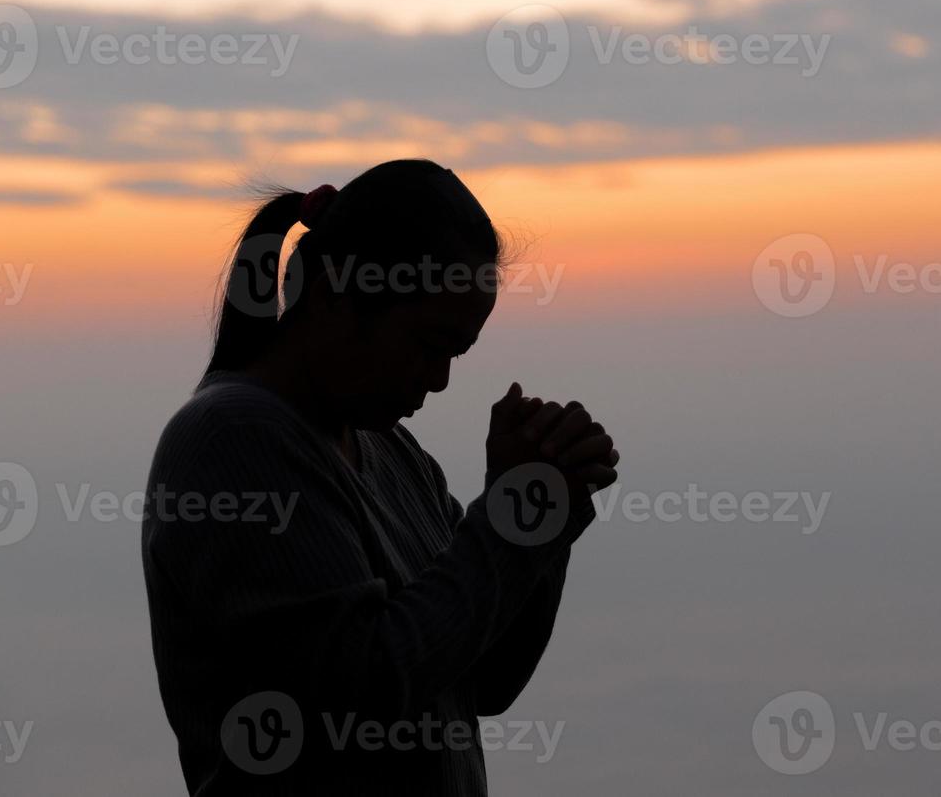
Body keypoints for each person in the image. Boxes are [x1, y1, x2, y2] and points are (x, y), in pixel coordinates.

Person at [141, 159, 619, 795]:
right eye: (429, 345)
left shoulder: (393, 453)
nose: (441, 378)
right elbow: (364, 689)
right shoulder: (235, 441)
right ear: (338, 297)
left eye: (457, 354)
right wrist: (506, 527)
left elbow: (486, 676)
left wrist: (539, 506)